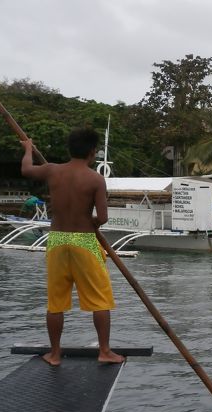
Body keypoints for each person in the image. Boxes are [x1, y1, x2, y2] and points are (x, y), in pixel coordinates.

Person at [21, 127, 125, 366]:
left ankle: (55, 354)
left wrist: (28, 149)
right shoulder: (95, 179)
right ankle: (105, 351)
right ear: (92, 152)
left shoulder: (52, 170)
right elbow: (104, 217)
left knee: (55, 302)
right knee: (99, 300)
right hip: (84, 242)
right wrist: (92, 224)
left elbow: (26, 169)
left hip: (57, 240)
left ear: (70, 149)